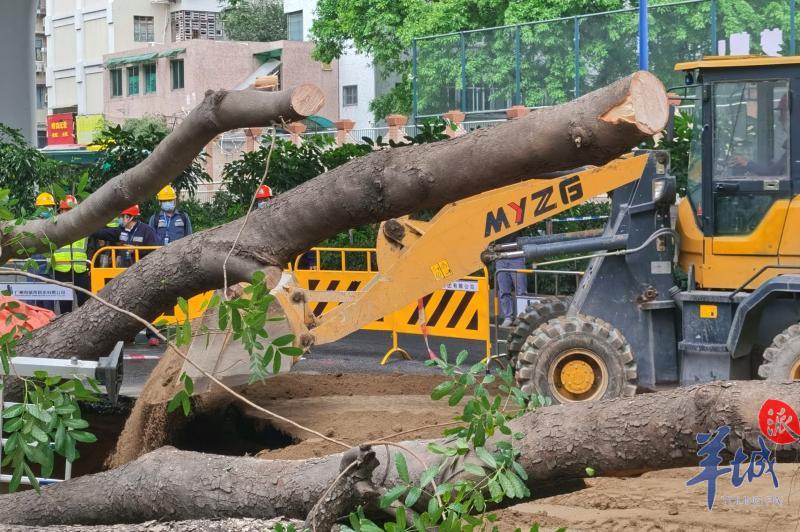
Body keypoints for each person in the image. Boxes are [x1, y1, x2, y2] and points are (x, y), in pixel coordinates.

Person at [92, 205, 160, 345]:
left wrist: (137, 250)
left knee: (147, 303)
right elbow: (103, 233)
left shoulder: (147, 231)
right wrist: (88, 228)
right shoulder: (120, 231)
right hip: (125, 273)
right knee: (128, 305)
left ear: (130, 217)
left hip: (143, 273)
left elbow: (155, 250)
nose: (120, 219)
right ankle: (129, 335)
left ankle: (152, 334)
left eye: (122, 216)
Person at [52, 195, 90, 312]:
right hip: (62, 269)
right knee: (65, 306)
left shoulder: (84, 226)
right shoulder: (53, 226)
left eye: (72, 210)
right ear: (61, 211)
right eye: (67, 210)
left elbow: (93, 244)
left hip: (80, 269)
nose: (70, 213)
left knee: (85, 303)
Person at [29, 192, 57, 311]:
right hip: (33, 267)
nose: (47, 209)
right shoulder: (30, 224)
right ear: (38, 208)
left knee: (47, 303)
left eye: (49, 206)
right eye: (44, 207)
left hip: (47, 267)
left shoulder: (56, 223)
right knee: (32, 302)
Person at [495, 235, 527, 328]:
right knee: (503, 290)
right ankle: (508, 317)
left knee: (521, 290)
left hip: (517, 255)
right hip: (500, 256)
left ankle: (522, 317)